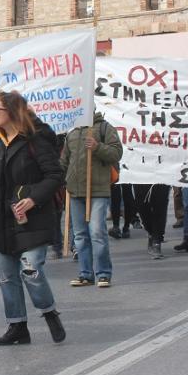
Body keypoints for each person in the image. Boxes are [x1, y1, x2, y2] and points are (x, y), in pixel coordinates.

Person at [0, 91, 65, 346]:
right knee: (6, 275)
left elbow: (55, 175)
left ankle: (49, 312)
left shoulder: (36, 139)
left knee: (31, 269)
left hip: (33, 217)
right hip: (5, 217)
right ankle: (17, 326)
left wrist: (33, 198)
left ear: (12, 112)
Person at [61, 112, 122, 288]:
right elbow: (64, 161)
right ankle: (86, 274)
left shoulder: (105, 128)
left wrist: (98, 147)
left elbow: (116, 153)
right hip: (75, 191)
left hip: (98, 190)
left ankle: (103, 273)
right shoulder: (72, 132)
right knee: (80, 235)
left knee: (96, 232)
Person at [133, 183, 171, 259]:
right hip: (141, 181)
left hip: (161, 180)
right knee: (142, 208)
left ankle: (157, 241)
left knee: (160, 208)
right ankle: (151, 233)